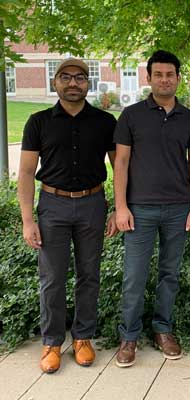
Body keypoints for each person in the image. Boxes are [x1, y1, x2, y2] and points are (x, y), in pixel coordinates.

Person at [17, 58, 118, 373]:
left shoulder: (104, 121)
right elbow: (25, 171)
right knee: (52, 278)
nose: (73, 83)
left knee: (89, 275)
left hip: (92, 204)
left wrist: (117, 206)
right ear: (55, 82)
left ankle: (83, 338)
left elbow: (121, 167)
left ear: (88, 83)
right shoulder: (38, 121)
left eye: (80, 78)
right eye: (66, 77)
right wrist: (28, 219)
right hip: (53, 205)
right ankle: (51, 342)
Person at [113, 50, 190, 367]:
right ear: (149, 78)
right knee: (134, 277)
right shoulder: (131, 115)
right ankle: (129, 337)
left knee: (170, 274)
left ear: (178, 78)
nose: (164, 79)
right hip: (139, 209)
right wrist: (120, 206)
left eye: (170, 74)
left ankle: (163, 329)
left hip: (179, 209)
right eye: (158, 74)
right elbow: (120, 163)